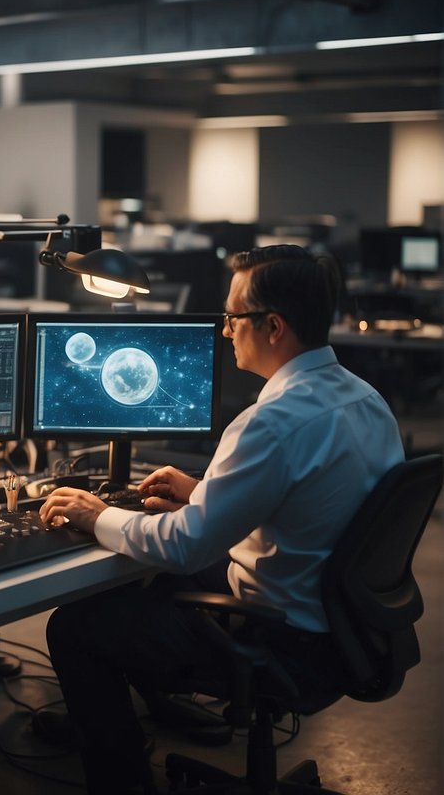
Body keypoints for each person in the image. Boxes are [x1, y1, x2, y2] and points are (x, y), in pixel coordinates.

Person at [36, 244, 404, 795]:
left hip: (286, 637)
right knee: (154, 587)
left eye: (233, 316)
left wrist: (97, 514)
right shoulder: (364, 399)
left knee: (75, 626)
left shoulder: (271, 422)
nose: (225, 329)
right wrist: (205, 493)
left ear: (273, 326)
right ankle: (165, 711)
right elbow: (311, 503)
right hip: (348, 627)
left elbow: (185, 547)